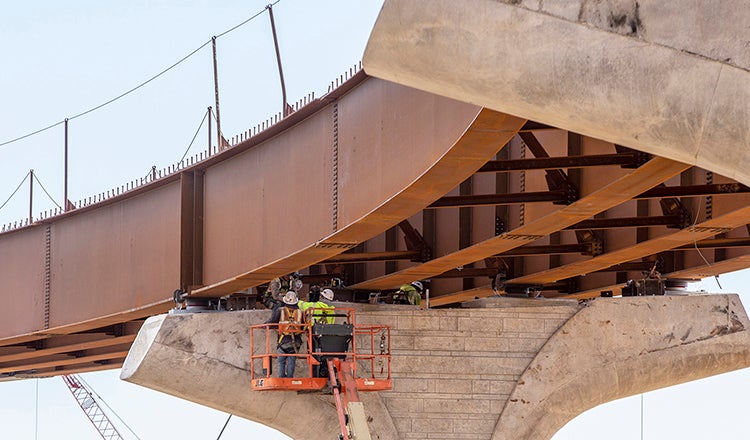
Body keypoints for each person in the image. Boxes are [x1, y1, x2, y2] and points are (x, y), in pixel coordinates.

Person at [265, 291, 304, 378]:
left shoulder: (280, 311)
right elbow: (304, 327)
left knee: (281, 360)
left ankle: (282, 377)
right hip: (296, 342)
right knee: (291, 359)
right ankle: (290, 378)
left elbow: (271, 322)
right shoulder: (300, 312)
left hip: (283, 341)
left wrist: (263, 326)